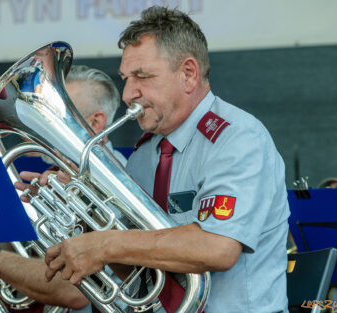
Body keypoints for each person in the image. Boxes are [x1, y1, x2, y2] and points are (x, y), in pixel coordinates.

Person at [43, 6, 290, 313]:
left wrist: (106, 244)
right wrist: (85, 208)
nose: (128, 94)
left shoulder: (238, 138)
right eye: (125, 78)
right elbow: (136, 272)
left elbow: (217, 247)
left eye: (142, 77)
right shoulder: (145, 153)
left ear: (188, 74)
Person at [0, 65, 127, 311]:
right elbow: (20, 280)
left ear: (95, 122)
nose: (38, 122)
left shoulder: (117, 187)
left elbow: (76, 292)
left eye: (55, 113)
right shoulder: (56, 179)